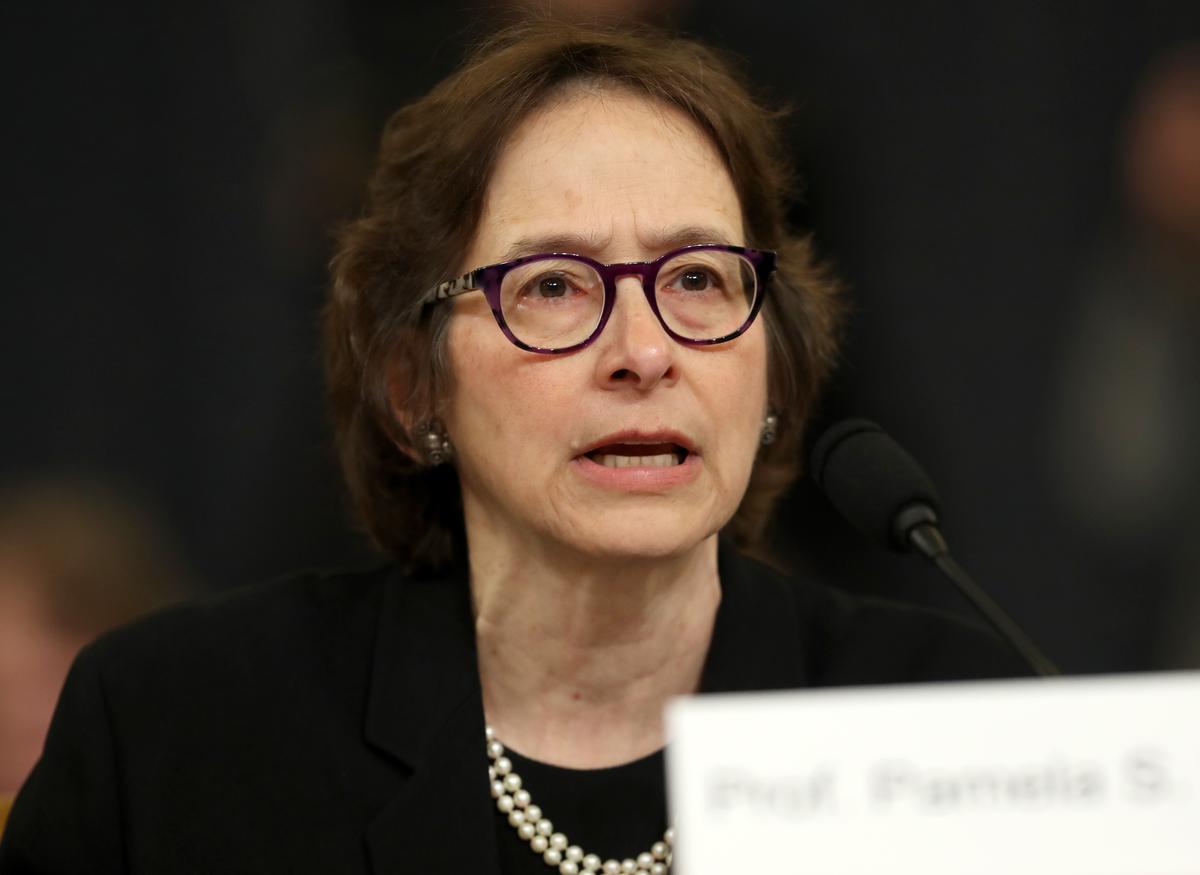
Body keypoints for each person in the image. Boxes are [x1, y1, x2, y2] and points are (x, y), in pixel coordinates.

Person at [0, 19, 1025, 874]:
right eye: (552, 287)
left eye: (700, 280)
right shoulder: (181, 740)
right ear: (414, 389)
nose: (643, 351)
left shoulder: (960, 733)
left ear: (773, 369)